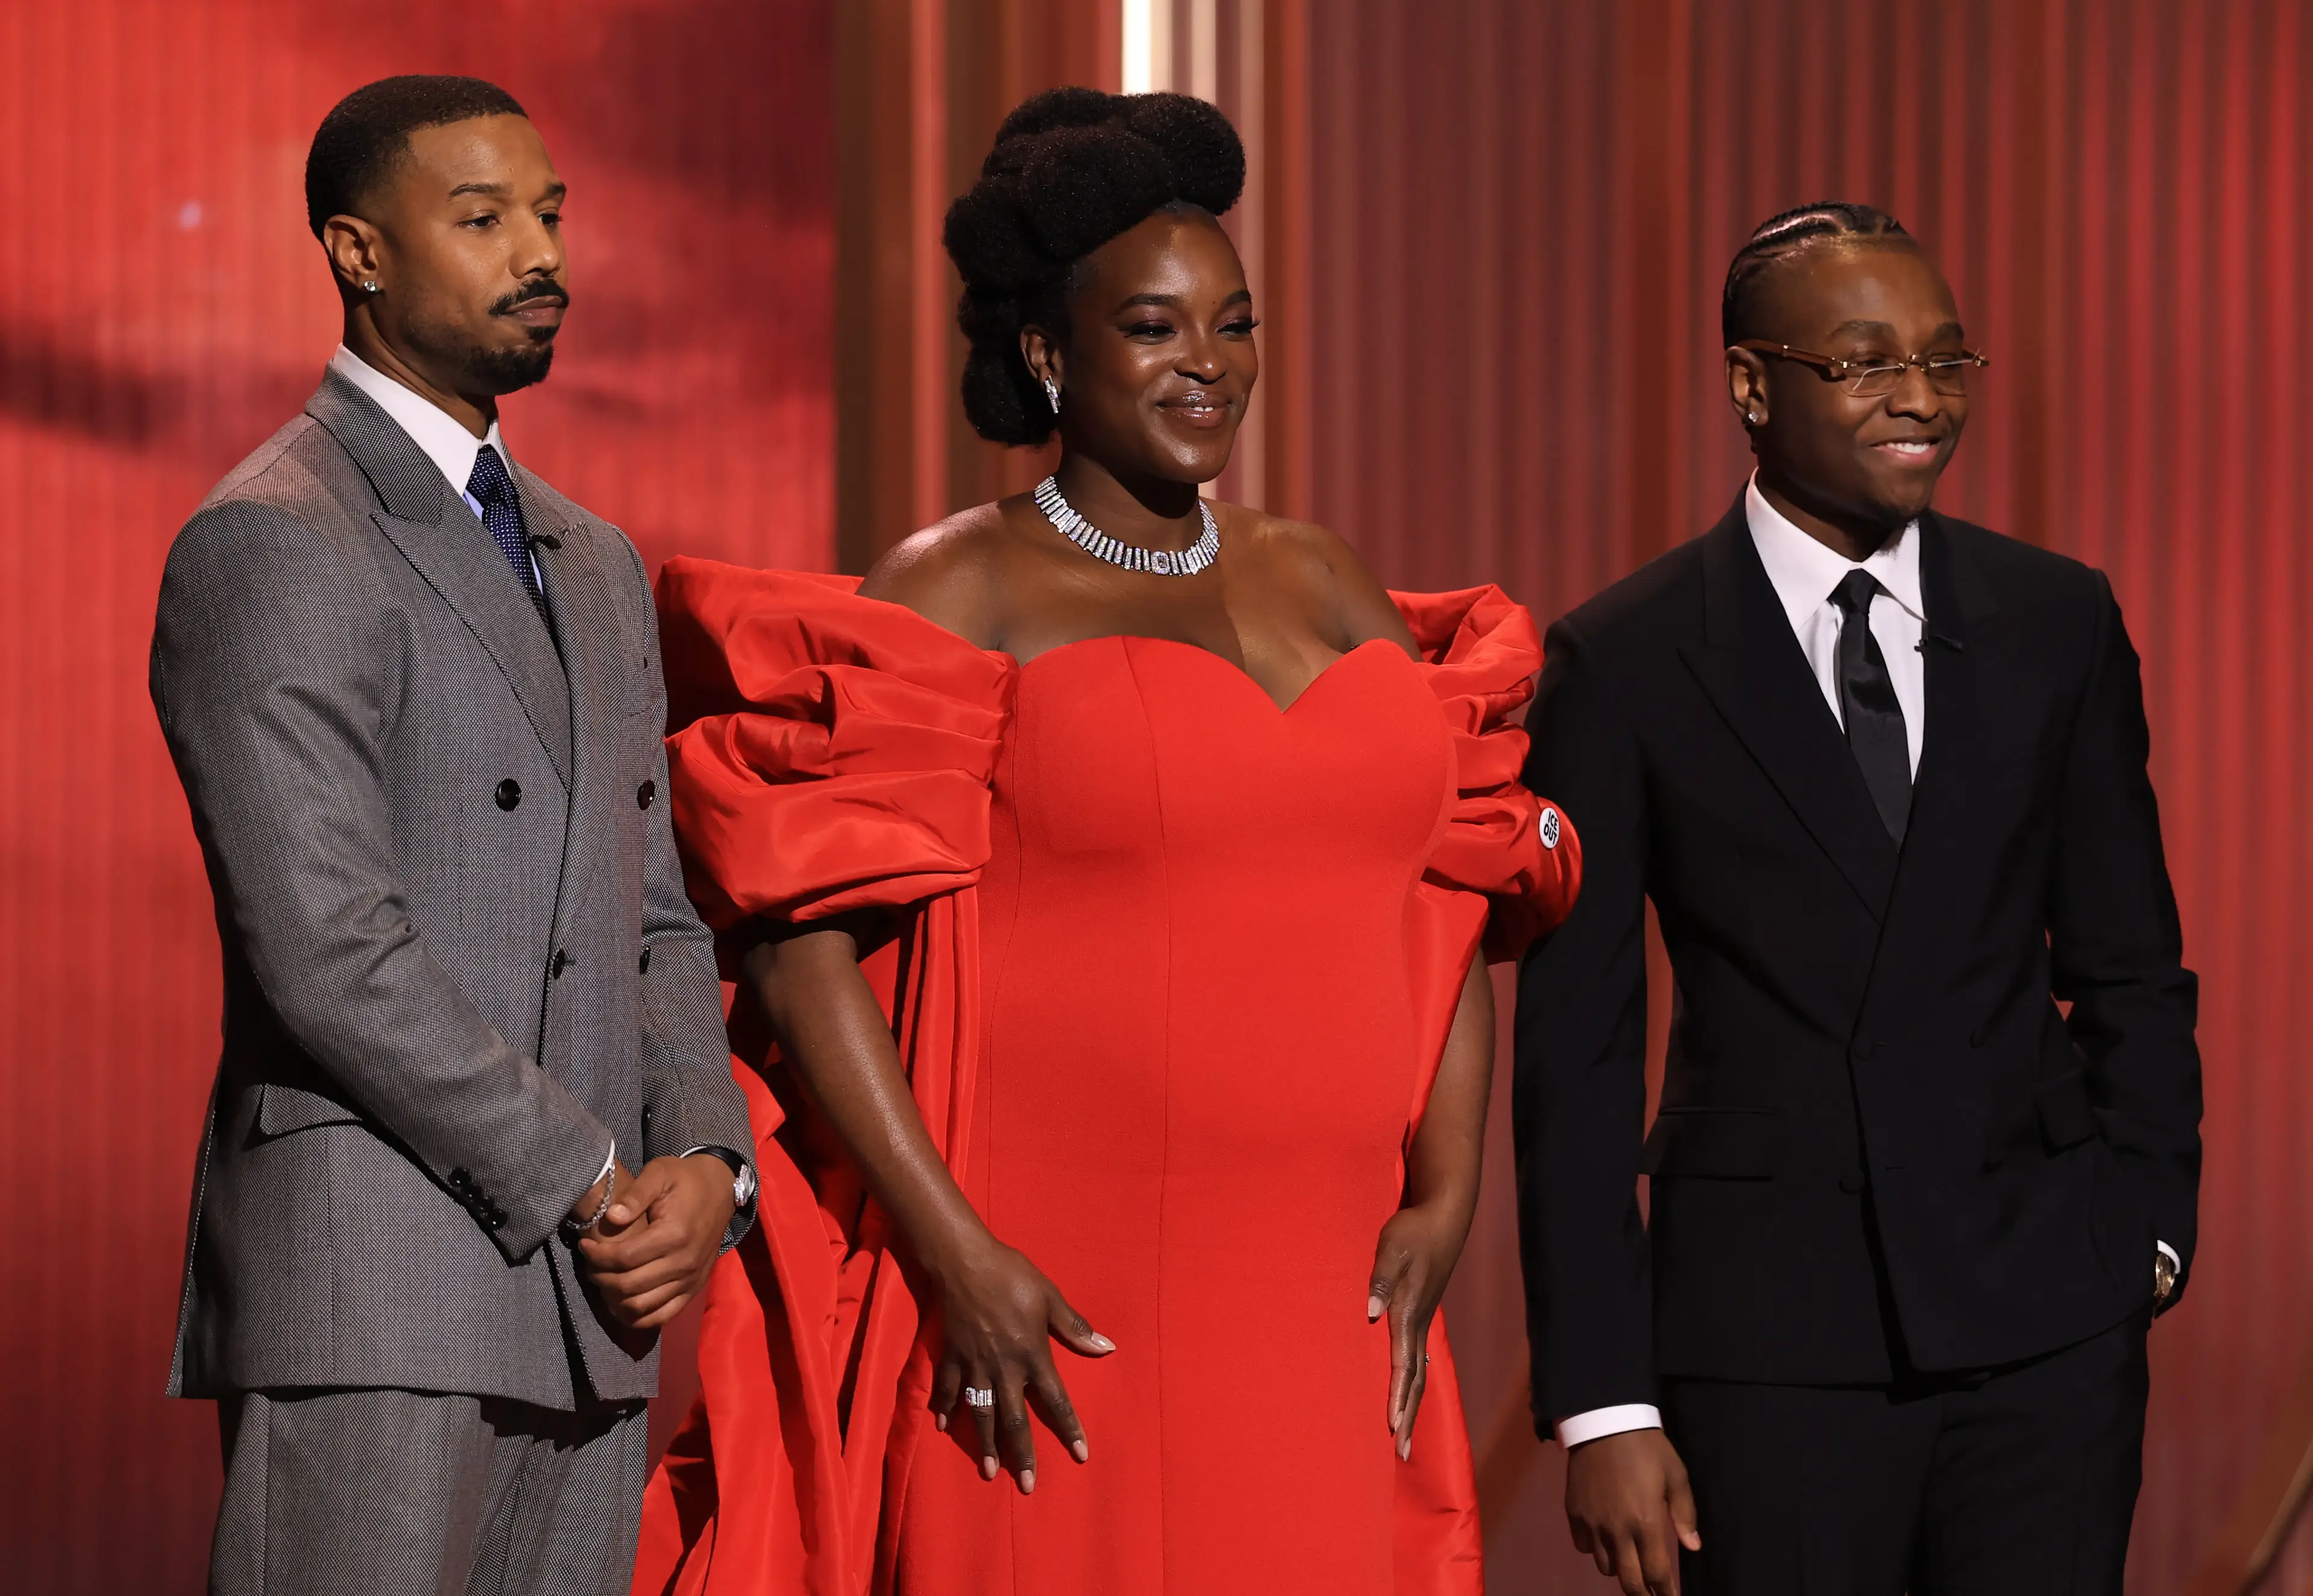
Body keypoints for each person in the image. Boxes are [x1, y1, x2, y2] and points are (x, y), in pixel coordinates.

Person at [632, 90, 1580, 1595]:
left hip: (1316, 1278)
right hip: (1056, 1269)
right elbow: (807, 950)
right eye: (1155, 328)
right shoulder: (963, 583)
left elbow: (1444, 883)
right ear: (1048, 357)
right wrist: (954, 1251)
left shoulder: (1324, 574)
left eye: (1235, 323)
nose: (1209, 365)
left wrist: (1445, 1194)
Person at [1512, 201, 2202, 1596]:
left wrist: (2149, 1230)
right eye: (1867, 362)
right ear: (1751, 384)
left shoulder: (2056, 617)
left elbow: (2131, 962)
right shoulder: (1625, 657)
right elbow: (1575, 1054)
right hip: (1770, 1345)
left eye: (1948, 361)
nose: (1922, 398)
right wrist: (1604, 1398)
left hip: (2048, 1326)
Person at [150, 75, 757, 1596]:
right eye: (482, 218)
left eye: (548, 214)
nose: (537, 253)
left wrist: (707, 1162)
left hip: (591, 1298)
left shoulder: (596, 560)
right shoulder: (277, 533)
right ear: (358, 253)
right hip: (382, 1274)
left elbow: (656, 911)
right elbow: (327, 947)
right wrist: (592, 1168)